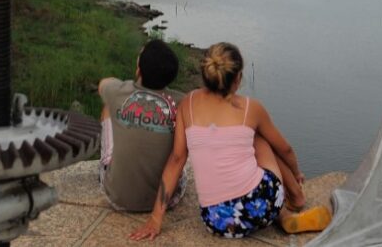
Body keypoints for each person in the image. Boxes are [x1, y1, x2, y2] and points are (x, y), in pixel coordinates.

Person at [130, 42, 331, 240]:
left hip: (218, 222)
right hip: (264, 206)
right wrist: (296, 173)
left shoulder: (187, 104)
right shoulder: (251, 108)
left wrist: (156, 218)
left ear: (205, 75)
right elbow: (285, 149)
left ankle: (284, 217)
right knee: (258, 136)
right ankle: (295, 197)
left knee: (247, 139)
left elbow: (177, 159)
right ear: (238, 78)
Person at [98, 39, 187, 212]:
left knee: (109, 106)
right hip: (166, 202)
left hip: (116, 197)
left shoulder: (117, 91)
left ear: (139, 69)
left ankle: (111, 160)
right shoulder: (181, 102)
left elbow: (103, 83)